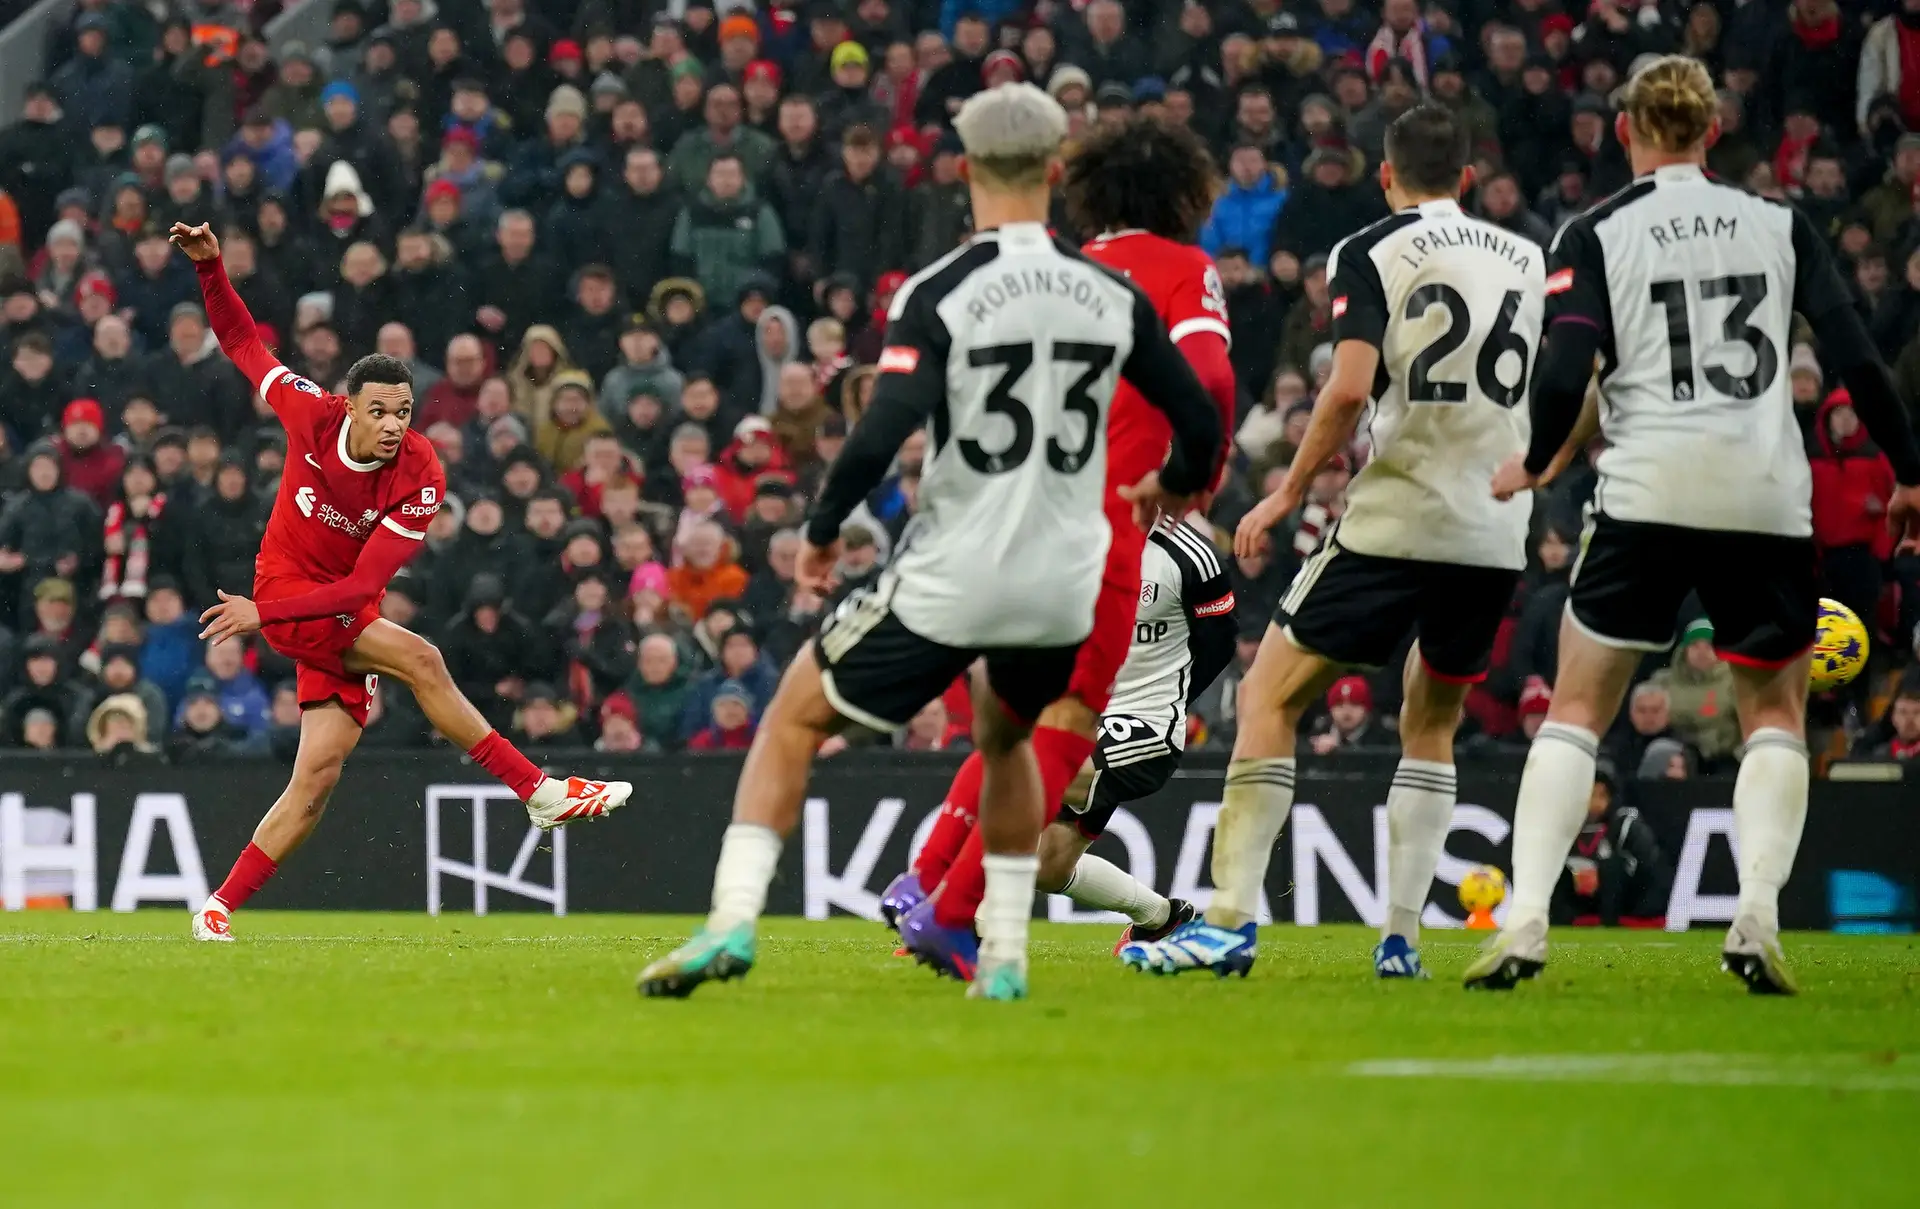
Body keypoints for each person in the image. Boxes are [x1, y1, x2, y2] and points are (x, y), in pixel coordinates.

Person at [637, 83, 1221, 1002]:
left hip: (959, 569)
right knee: (1010, 739)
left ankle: (731, 923)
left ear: (963, 170)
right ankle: (1003, 958)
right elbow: (1198, 409)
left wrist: (823, 533)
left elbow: (881, 431)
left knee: (791, 720)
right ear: (1057, 172)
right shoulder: (1111, 292)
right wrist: (1177, 483)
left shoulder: (940, 290)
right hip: (1066, 580)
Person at [1465, 58, 1920, 995]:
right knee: (1775, 717)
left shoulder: (1596, 231)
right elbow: (1860, 360)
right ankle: (1756, 914)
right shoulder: (1783, 224)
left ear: (1627, 131)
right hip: (1762, 496)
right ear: (1713, 132)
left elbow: (1563, 375)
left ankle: (1528, 919)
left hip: (1648, 488)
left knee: (1580, 710)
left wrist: (1540, 457)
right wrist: (1910, 470)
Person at [1121, 104, 1545, 980]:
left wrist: (1283, 491)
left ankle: (1232, 920)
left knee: (1268, 694)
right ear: (1467, 178)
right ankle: (1400, 941)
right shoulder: (1532, 261)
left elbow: (1349, 390)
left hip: (1398, 516)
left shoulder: (1372, 250)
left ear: (1386, 177)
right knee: (1431, 722)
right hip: (1495, 526)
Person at [164, 222, 633, 944]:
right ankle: (537, 789)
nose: (391, 425)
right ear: (349, 405)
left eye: (403, 412)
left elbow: (359, 591)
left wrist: (269, 614)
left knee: (316, 780)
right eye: (378, 410)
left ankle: (217, 905)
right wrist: (211, 269)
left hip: (320, 608)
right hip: (282, 591)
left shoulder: (421, 476)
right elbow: (241, 343)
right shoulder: (307, 411)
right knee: (422, 659)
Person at [879, 115, 1238, 984]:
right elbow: (1212, 376)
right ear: (1184, 195)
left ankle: (925, 879)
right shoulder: (1181, 270)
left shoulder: (1057, 271)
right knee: (1064, 726)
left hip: (1014, 516)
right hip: (1111, 521)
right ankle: (953, 910)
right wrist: (1194, 469)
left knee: (1009, 721)